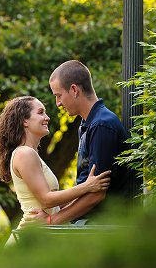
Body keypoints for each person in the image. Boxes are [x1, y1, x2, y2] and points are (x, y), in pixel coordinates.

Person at [0, 95, 110, 237]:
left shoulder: (30, 154)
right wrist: (87, 186)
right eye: (40, 112)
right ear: (24, 121)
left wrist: (89, 193)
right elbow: (46, 199)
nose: (47, 117)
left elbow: (54, 204)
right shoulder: (24, 154)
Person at [41, 59, 131, 224]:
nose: (58, 103)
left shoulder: (102, 125)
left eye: (58, 95)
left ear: (74, 89)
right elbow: (86, 186)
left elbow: (97, 193)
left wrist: (51, 221)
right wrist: (54, 209)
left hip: (103, 226)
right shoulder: (87, 124)